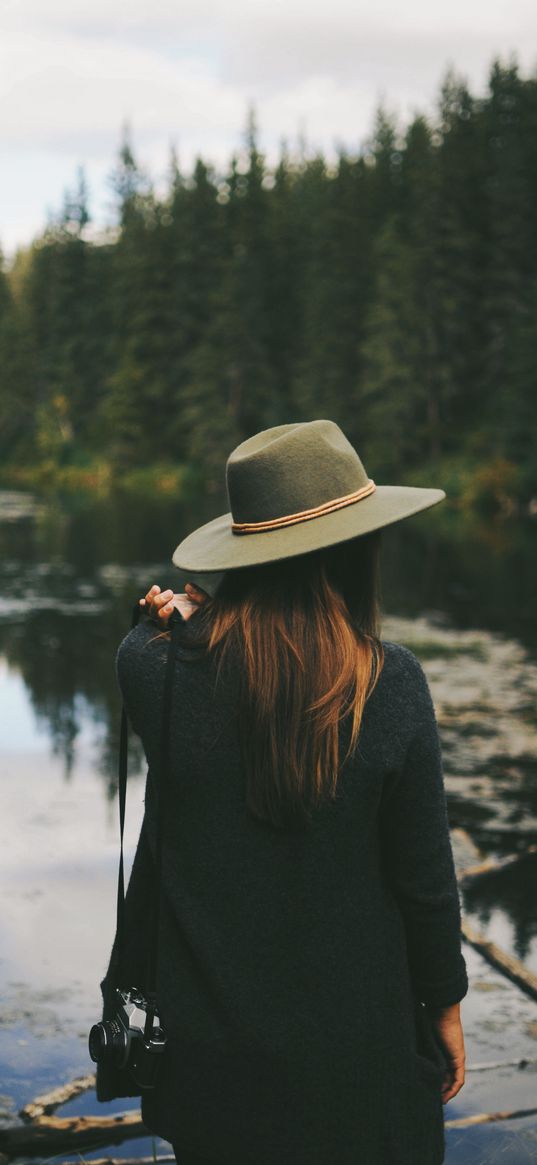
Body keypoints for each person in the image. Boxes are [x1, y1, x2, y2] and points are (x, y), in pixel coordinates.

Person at [95, 420, 467, 1165]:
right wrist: (445, 1008)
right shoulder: (388, 686)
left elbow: (152, 646)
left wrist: (174, 623)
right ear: (356, 547)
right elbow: (424, 882)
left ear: (244, 553)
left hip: (212, 1073)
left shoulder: (152, 667)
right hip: (357, 1068)